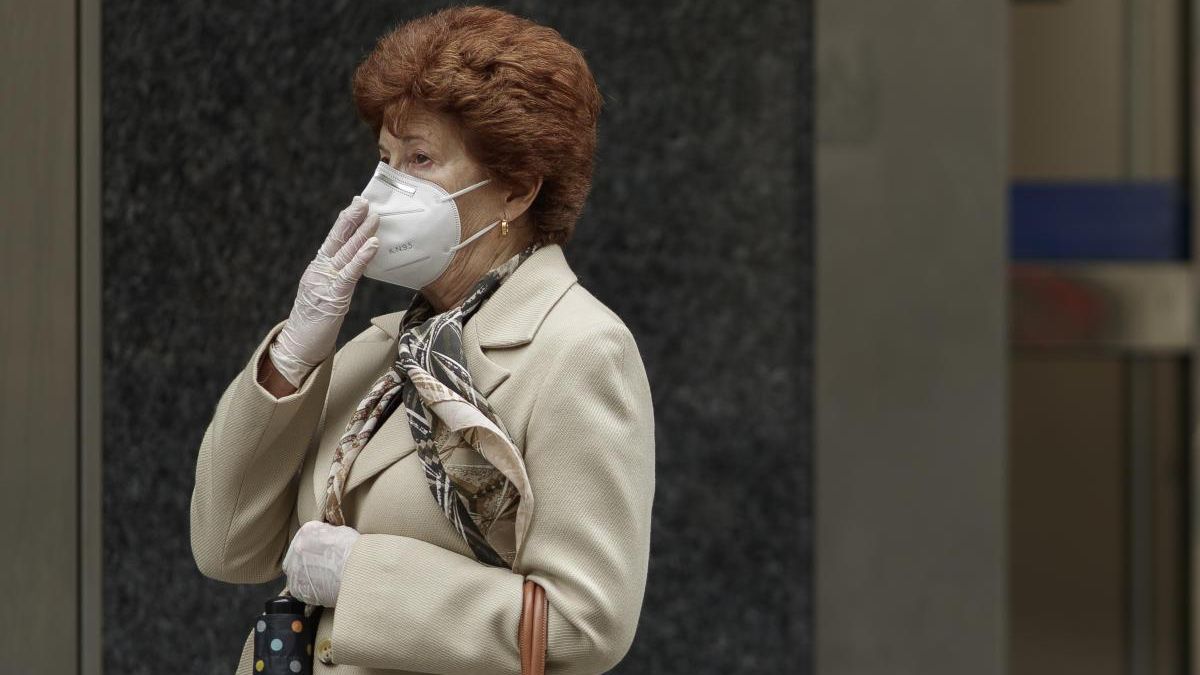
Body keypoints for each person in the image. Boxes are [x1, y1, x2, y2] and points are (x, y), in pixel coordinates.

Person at [188, 5, 655, 674]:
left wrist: (364, 576)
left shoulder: (579, 349)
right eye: (385, 157)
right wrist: (294, 353)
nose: (385, 187)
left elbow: (585, 623)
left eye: (421, 159)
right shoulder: (379, 349)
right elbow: (225, 545)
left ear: (517, 191)